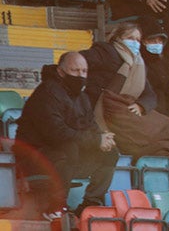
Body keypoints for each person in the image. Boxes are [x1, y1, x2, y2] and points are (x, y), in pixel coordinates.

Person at [13, 52, 118, 221]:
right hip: (34, 156)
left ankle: (90, 203)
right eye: (75, 70)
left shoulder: (82, 97)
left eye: (84, 71)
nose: (80, 75)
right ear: (61, 72)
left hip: (67, 157)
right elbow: (57, 133)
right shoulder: (47, 93)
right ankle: (55, 207)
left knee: (110, 152)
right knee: (69, 147)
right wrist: (95, 140)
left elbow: (90, 125)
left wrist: (102, 137)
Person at [81, 22, 169, 160]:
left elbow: (149, 95)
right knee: (168, 130)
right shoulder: (105, 52)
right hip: (105, 108)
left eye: (137, 40)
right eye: (130, 38)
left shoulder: (138, 63)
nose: (135, 43)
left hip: (128, 110)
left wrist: (141, 105)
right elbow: (75, 63)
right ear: (117, 38)